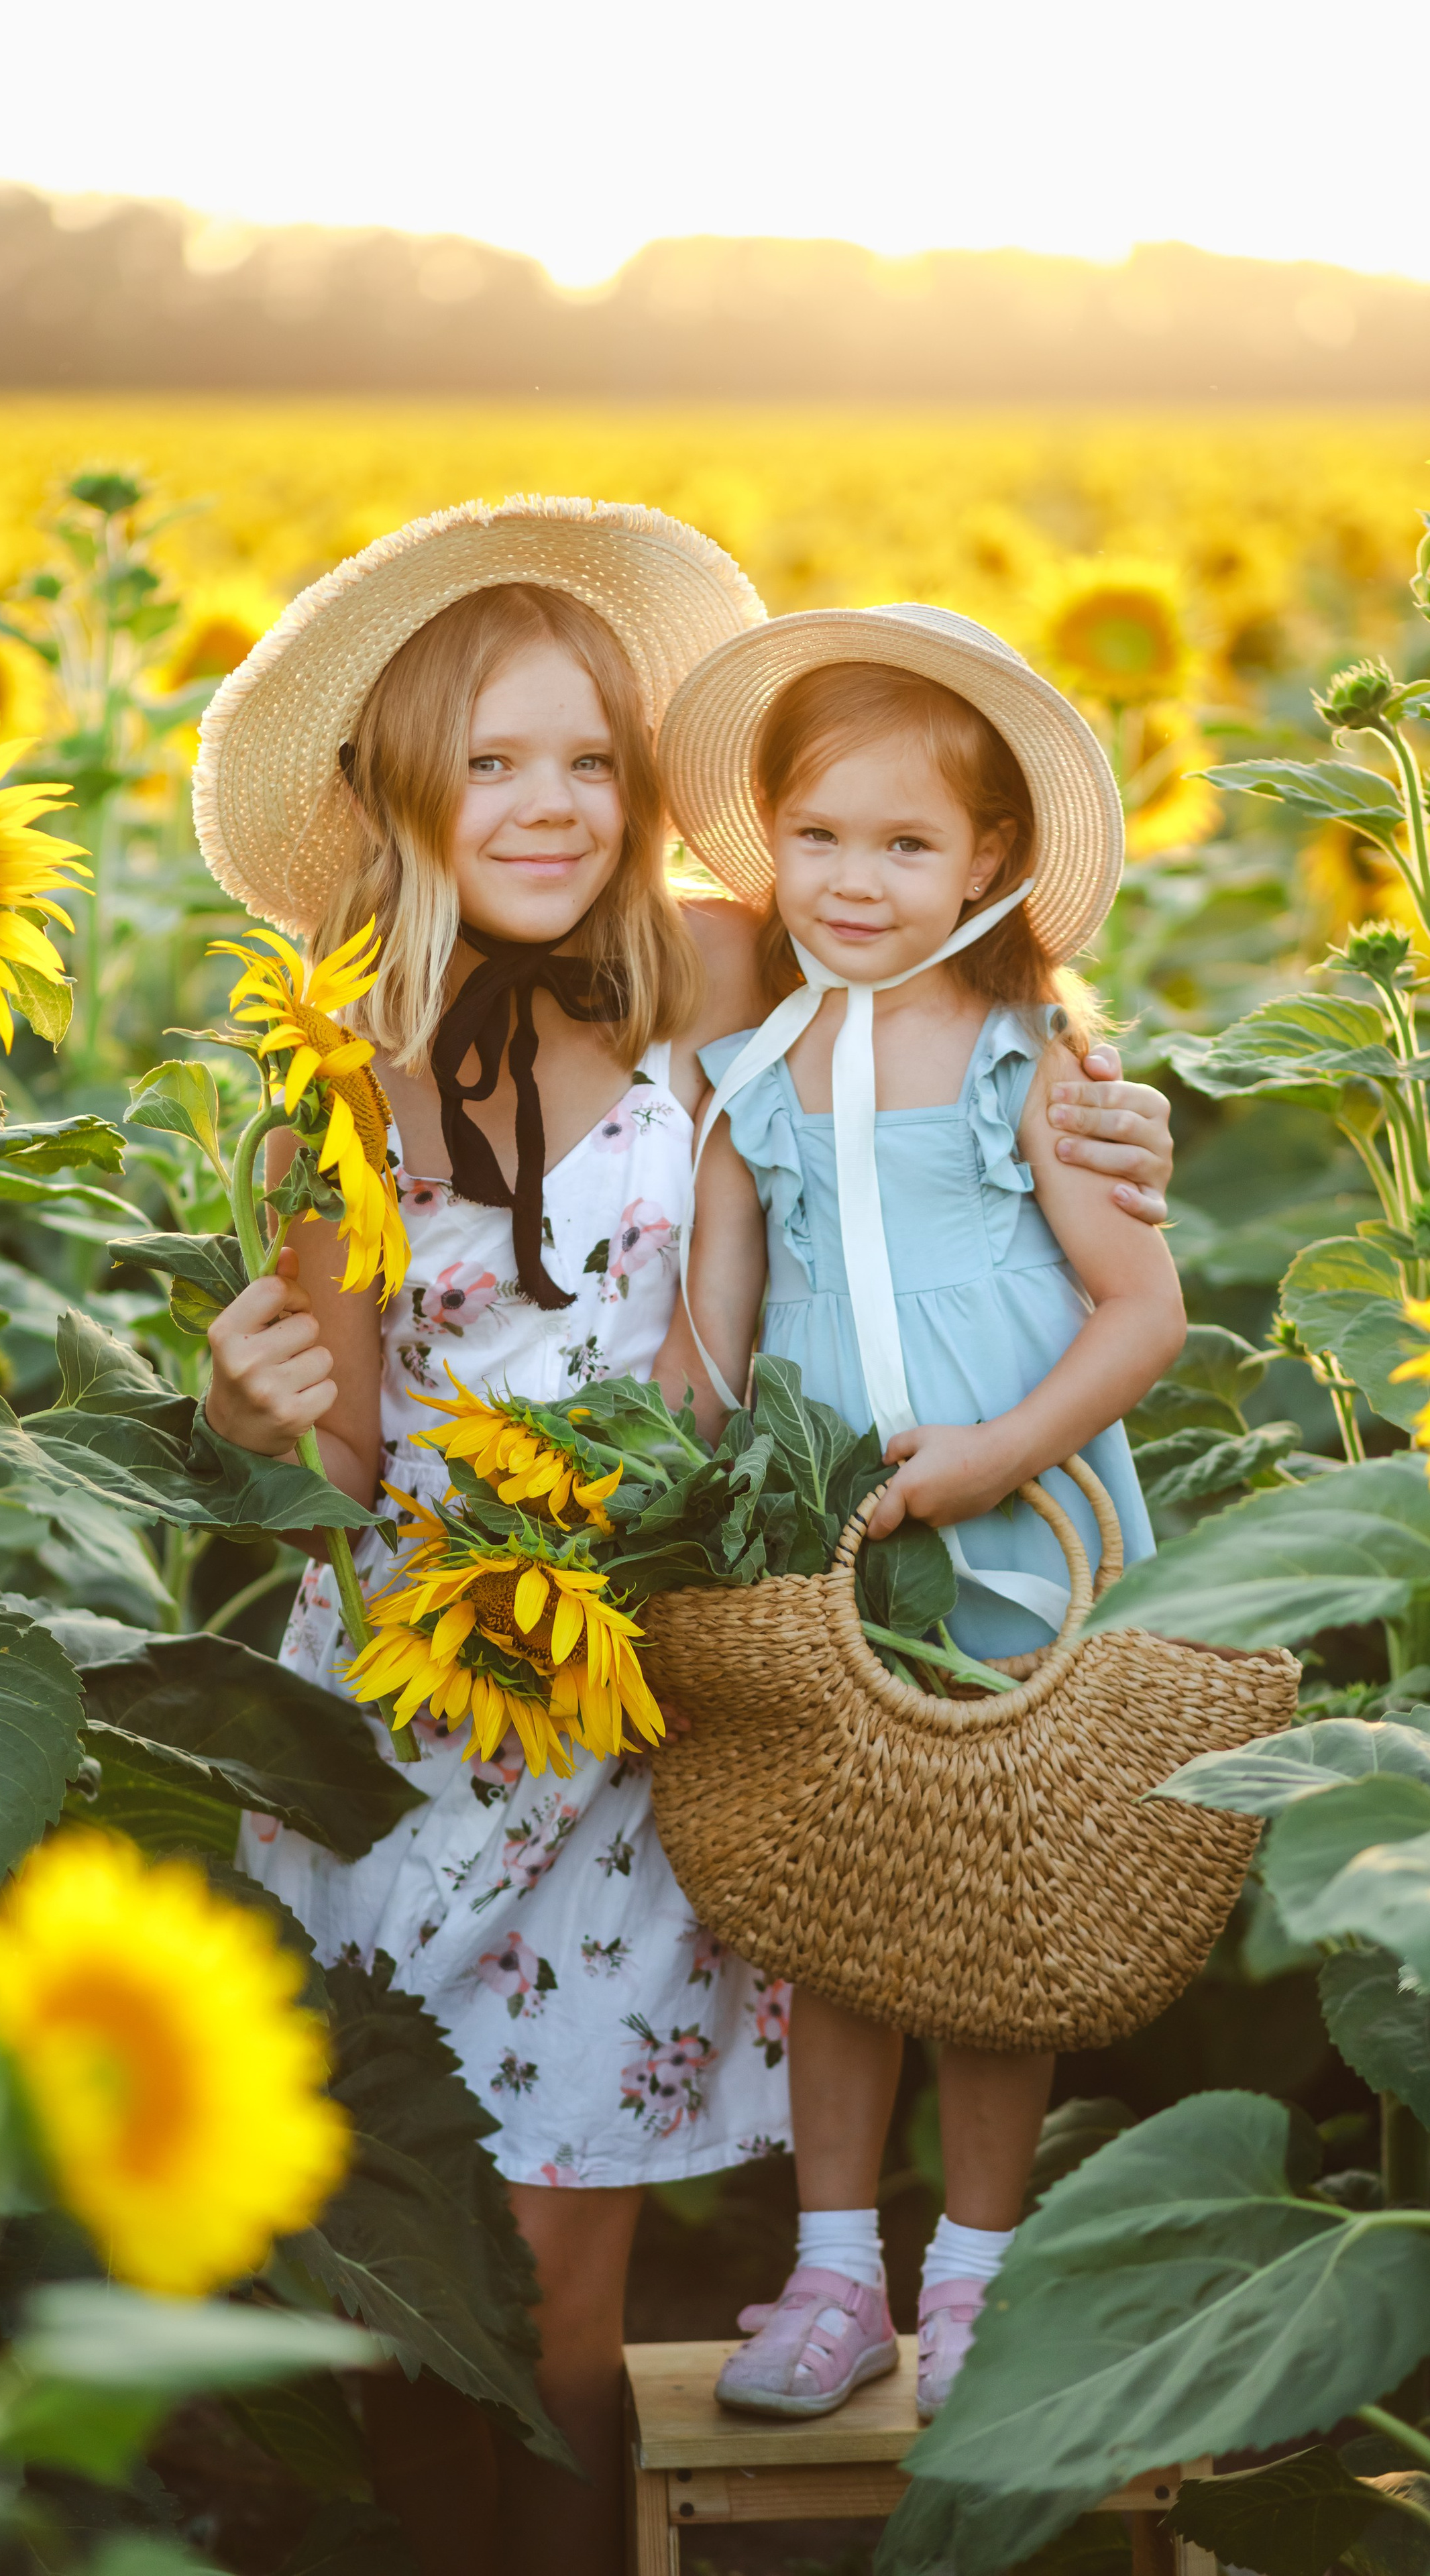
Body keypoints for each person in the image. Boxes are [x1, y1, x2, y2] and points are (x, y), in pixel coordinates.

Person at [195, 509, 1180, 2576]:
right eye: (489, 763)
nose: (547, 808)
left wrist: (1112, 1114)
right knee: (402, 2296)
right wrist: (245, 1399)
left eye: (586, 761)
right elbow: (345, 1446)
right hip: (411, 1721)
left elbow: (957, 979)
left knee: (565, 2293)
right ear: (396, 788)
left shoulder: (715, 958)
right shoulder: (340, 1068)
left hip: (638, 1720)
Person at [651, 604, 1185, 2430]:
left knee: (991, 1903)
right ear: (767, 841)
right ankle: (832, 2276)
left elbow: (1147, 1312)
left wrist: (993, 1453)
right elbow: (708, 1342)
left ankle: (976, 2274)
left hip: (1014, 1530)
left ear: (988, 860)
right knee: (832, 1907)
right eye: (818, 838)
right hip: (823, 1542)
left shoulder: (1033, 1065)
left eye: (904, 843)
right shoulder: (756, 1073)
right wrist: (665, 1489)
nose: (854, 881)